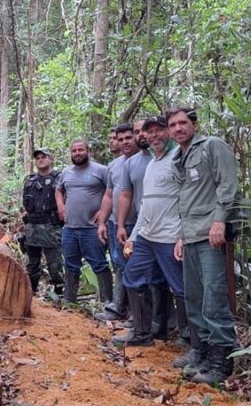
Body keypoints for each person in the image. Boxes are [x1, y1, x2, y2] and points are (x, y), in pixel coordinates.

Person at [169, 106, 240, 384]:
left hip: (211, 234)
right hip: (191, 235)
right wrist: (180, 236)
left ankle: (221, 362)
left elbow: (227, 184)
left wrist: (220, 221)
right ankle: (200, 350)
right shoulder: (179, 157)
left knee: (213, 297)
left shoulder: (212, 146)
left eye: (182, 123)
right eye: (173, 124)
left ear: (194, 125)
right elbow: (185, 201)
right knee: (194, 298)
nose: (177, 128)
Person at [112, 116, 188, 347]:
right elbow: (146, 203)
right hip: (147, 236)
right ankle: (142, 333)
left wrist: (183, 236)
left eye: (159, 130)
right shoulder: (152, 163)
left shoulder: (179, 157)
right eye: (149, 132)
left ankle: (190, 340)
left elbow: (189, 198)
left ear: (169, 132)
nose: (154, 135)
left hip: (170, 235)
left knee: (180, 287)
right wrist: (134, 236)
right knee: (133, 277)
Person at [56, 139, 110, 304]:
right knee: (71, 265)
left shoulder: (101, 170)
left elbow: (113, 191)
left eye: (81, 150)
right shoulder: (66, 172)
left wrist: (103, 211)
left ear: (88, 151)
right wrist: (60, 206)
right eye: (74, 151)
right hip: (70, 229)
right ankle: (69, 300)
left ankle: (108, 302)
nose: (77, 153)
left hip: (92, 229)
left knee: (99, 265)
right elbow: (59, 190)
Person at [95, 123, 136, 321]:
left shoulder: (145, 160)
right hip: (115, 224)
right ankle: (119, 307)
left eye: (129, 137)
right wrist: (102, 222)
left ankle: (138, 314)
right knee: (119, 265)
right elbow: (109, 195)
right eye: (120, 139)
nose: (124, 142)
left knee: (135, 267)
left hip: (136, 225)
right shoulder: (114, 165)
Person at [20, 148, 64, 299]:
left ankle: (59, 294)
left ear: (50, 159)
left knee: (55, 265)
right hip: (32, 229)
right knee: (32, 265)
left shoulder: (59, 178)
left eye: (44, 157)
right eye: (37, 157)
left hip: (51, 228)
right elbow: (25, 204)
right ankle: (30, 294)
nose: (40, 159)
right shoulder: (30, 181)